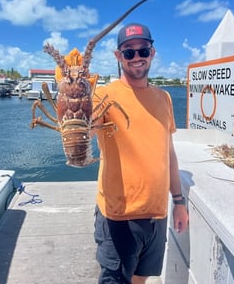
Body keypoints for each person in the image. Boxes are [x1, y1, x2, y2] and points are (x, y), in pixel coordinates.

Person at [92, 23, 189, 284]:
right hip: (119, 217)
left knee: (140, 280)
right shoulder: (103, 95)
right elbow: (82, 128)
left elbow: (168, 154)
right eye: (129, 53)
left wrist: (178, 202)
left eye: (143, 51)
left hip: (157, 216)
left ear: (152, 53)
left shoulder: (164, 98)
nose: (137, 58)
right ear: (118, 56)